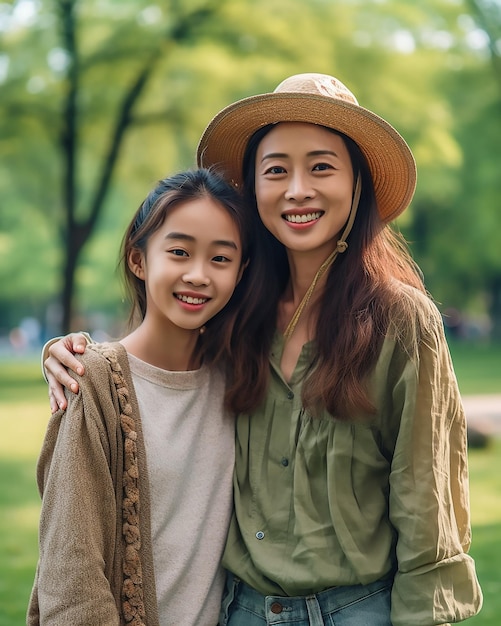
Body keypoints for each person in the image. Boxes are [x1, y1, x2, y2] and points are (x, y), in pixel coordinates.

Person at [42, 73, 483, 626]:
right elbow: (156, 355)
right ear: (254, 187)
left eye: (321, 166)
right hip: (241, 610)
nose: (297, 189)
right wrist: (66, 354)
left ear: (357, 184)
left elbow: (426, 498)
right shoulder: (233, 308)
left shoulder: (401, 320)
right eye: (276, 170)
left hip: (358, 609)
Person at [28, 168, 258, 626]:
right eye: (178, 252)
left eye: (220, 259)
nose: (198, 275)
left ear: (240, 272)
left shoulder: (242, 377)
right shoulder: (92, 379)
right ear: (139, 260)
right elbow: (71, 567)